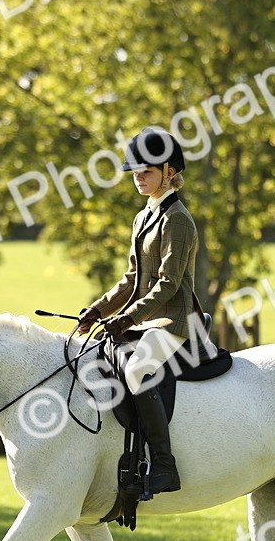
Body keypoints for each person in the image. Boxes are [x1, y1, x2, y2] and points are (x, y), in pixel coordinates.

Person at [75, 127, 208, 495]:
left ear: (169, 172)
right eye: (135, 171)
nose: (138, 177)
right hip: (146, 321)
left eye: (146, 171)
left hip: (173, 321)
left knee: (136, 370)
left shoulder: (177, 218)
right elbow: (132, 278)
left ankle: (164, 464)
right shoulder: (143, 216)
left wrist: (128, 318)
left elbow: (168, 284)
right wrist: (98, 310)